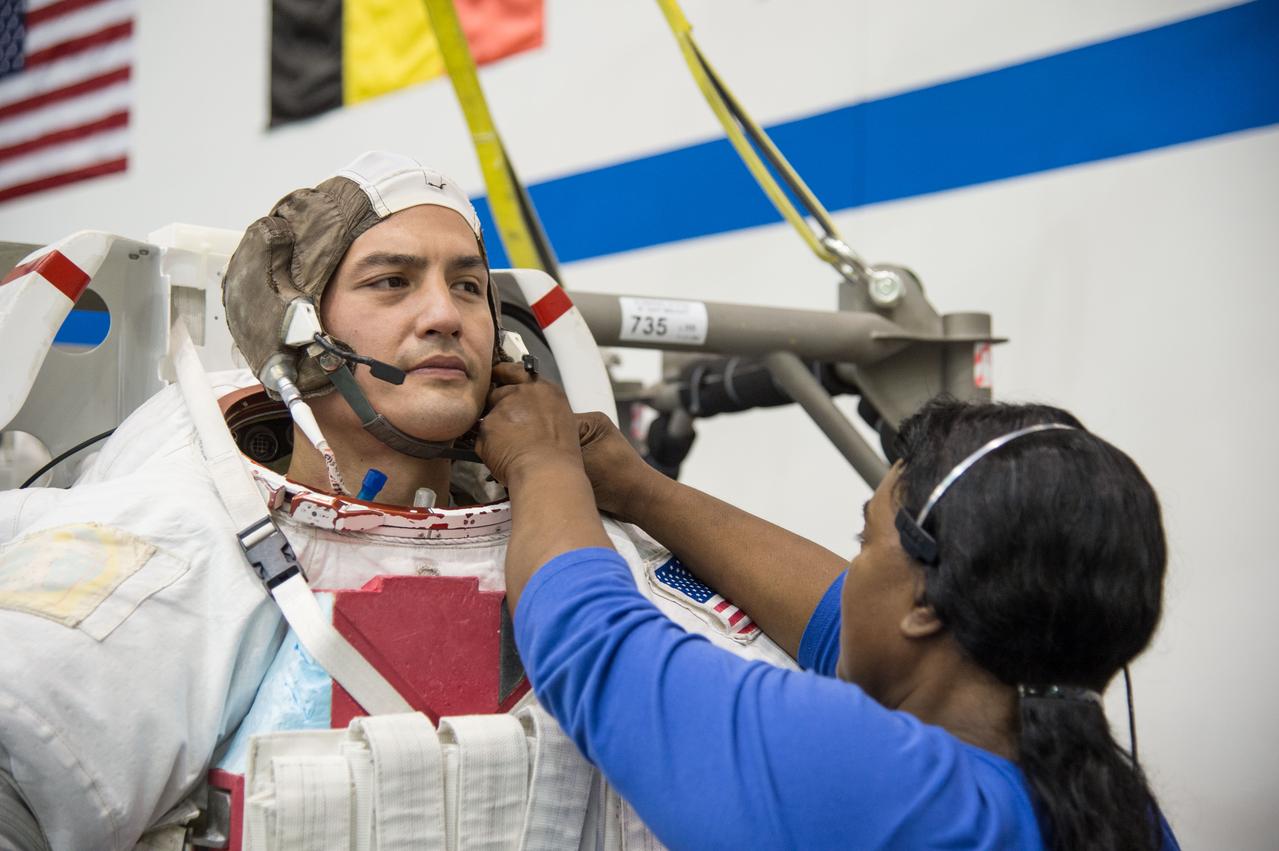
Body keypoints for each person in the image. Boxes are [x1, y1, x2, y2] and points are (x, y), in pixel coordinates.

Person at [0, 152, 793, 850]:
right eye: (391, 282)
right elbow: (31, 753)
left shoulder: (580, 540)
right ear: (296, 329)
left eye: (469, 286)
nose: (445, 315)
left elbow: (785, 744)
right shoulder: (188, 534)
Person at [477, 370, 1182, 850]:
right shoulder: (1115, 809)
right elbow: (840, 623)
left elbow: (594, 646)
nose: (850, 570)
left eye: (864, 540)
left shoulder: (878, 781)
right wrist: (637, 487)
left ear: (926, 606)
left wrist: (542, 463)